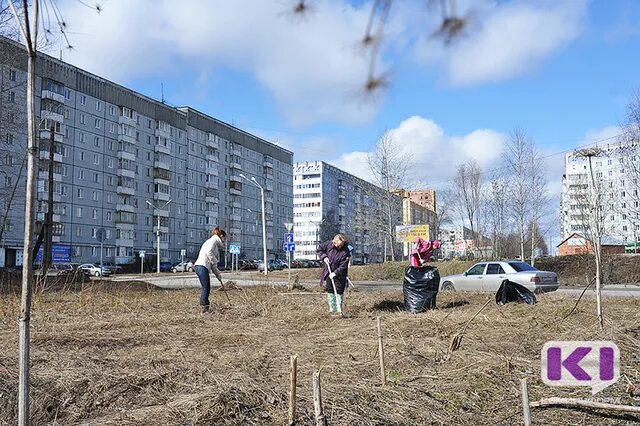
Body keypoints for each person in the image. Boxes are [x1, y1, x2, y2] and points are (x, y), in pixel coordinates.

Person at [194, 227, 226, 313]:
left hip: (200, 266)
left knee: (206, 287)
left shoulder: (213, 243)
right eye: (224, 238)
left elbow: (213, 264)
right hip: (202, 266)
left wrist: (218, 275)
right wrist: (215, 260)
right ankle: (204, 308)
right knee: (206, 287)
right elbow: (208, 253)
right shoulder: (213, 241)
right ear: (221, 236)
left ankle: (206, 307)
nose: (224, 240)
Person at [316, 234, 350, 314]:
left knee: (339, 290)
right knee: (330, 289)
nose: (336, 246)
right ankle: (332, 309)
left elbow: (343, 266)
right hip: (329, 271)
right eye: (335, 244)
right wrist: (324, 257)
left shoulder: (345, 251)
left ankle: (339, 310)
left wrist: (335, 273)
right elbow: (319, 250)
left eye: (338, 245)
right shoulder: (328, 244)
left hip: (340, 274)